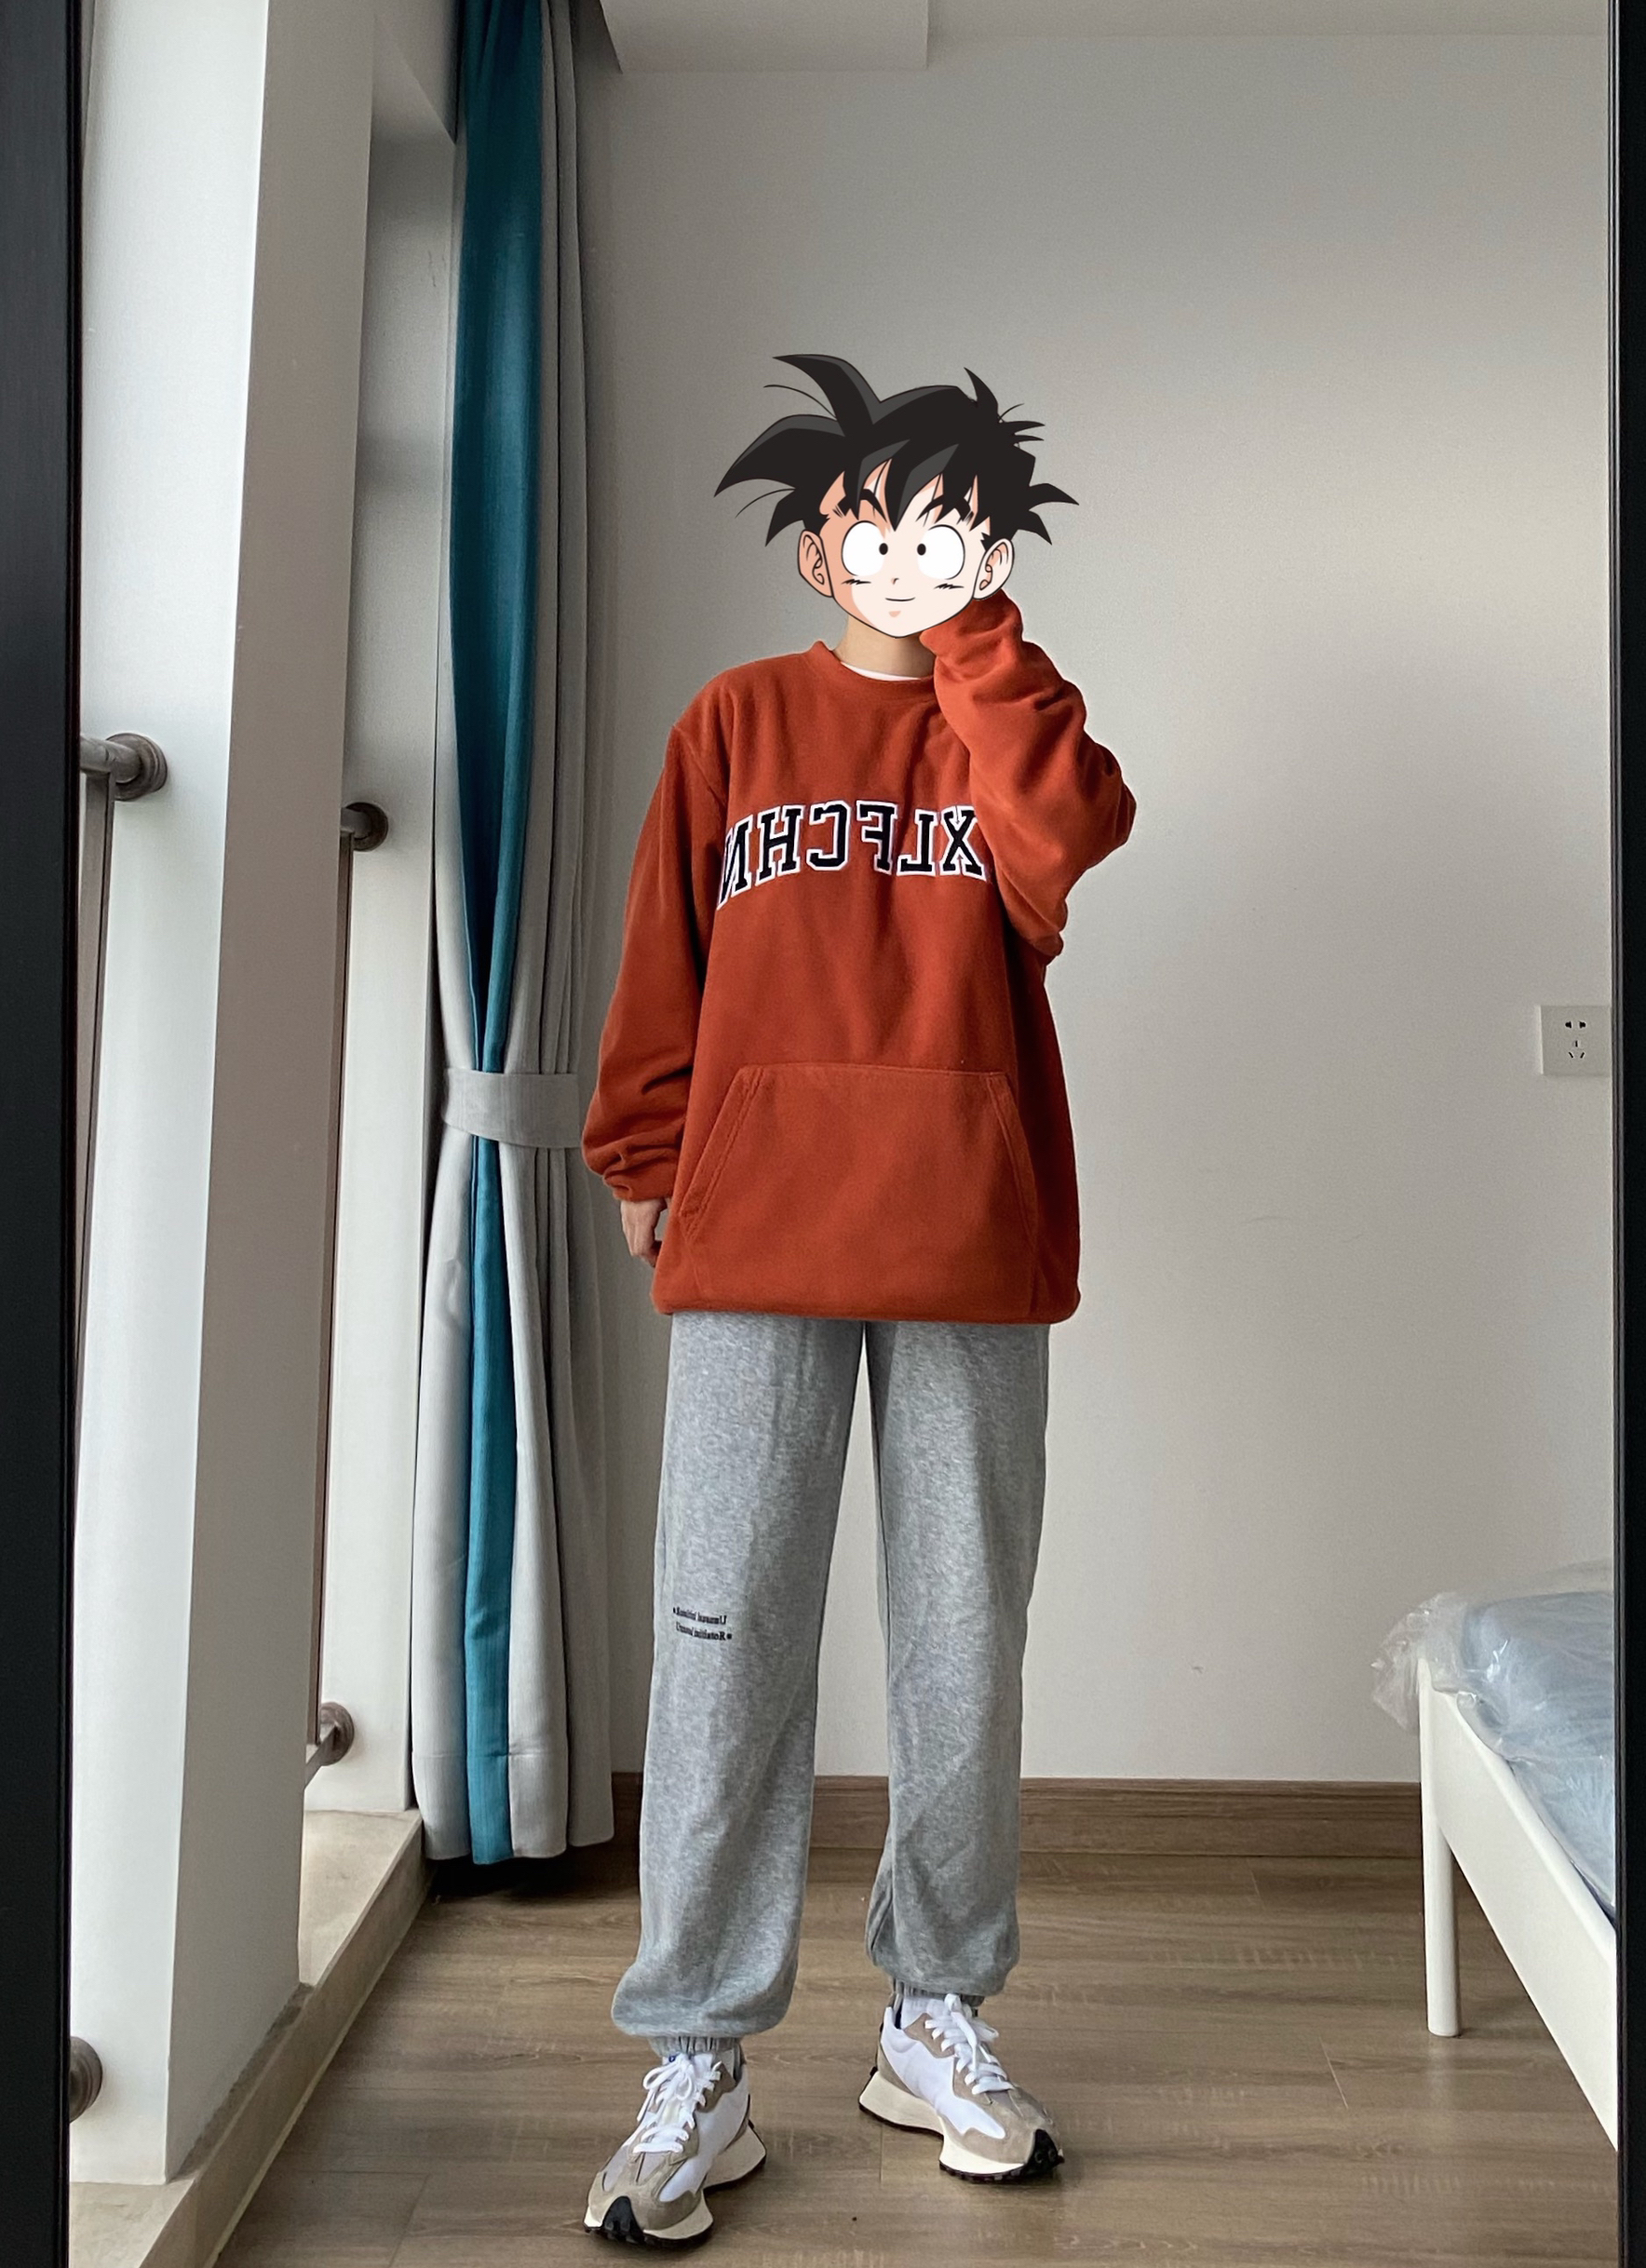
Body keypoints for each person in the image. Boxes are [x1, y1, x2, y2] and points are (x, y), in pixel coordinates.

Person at [580, 354, 1135, 2248]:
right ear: (816, 547)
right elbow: (661, 958)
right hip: (755, 1237)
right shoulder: (732, 722)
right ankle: (698, 2057)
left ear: (990, 550)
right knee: (722, 1637)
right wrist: (645, 1158)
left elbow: (1069, 841)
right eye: (865, 523)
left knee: (961, 1640)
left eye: (940, 527)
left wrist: (980, 645)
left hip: (967, 1239)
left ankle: (933, 2014)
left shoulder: (1009, 729)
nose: (895, 551)